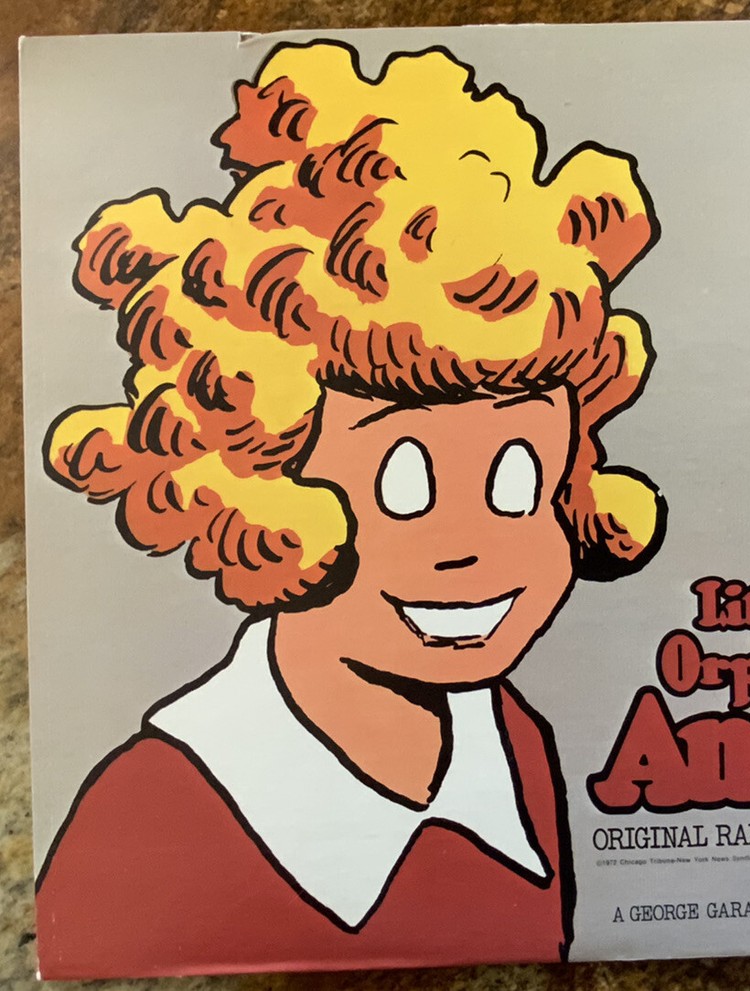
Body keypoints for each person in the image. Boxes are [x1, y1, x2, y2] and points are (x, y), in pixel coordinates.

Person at [35, 40, 665, 979]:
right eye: (404, 486)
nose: (474, 551)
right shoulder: (145, 817)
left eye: (518, 481)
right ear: (260, 489)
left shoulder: (512, 743)